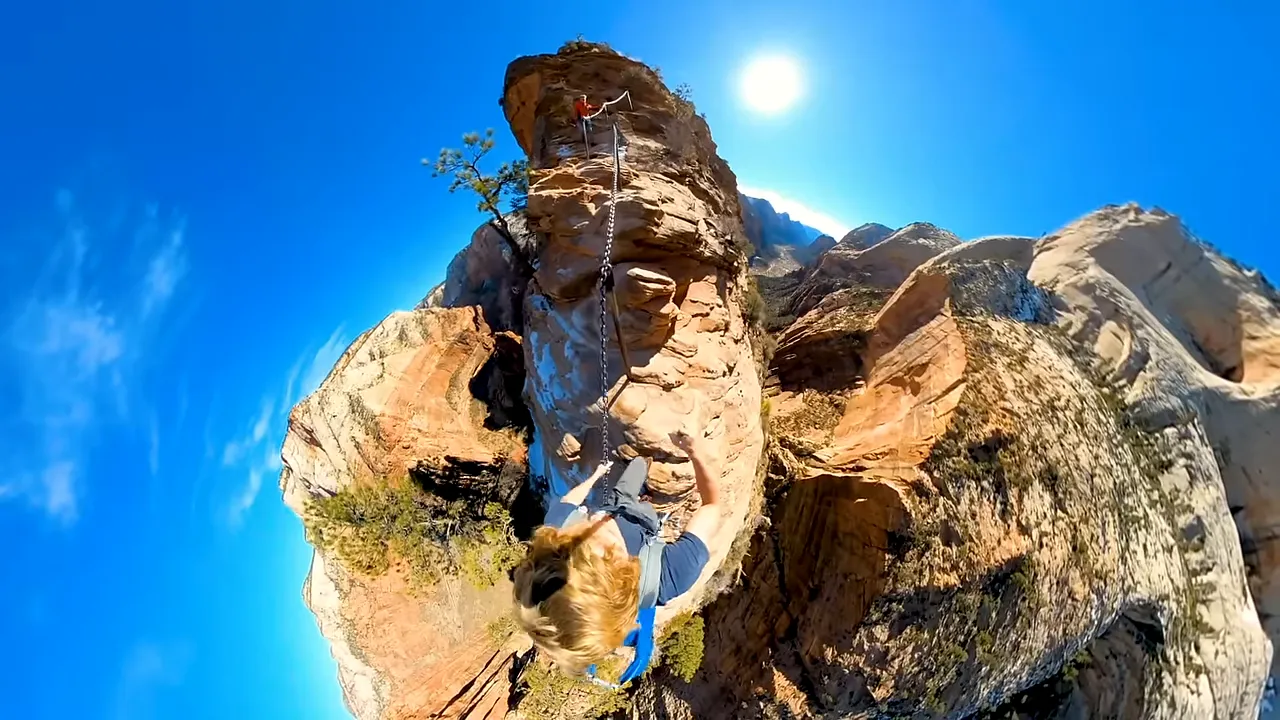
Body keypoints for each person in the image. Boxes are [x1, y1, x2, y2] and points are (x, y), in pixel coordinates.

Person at [510, 428, 722, 677]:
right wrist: (695, 453)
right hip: (643, 521)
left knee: (636, 469)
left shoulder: (559, 533)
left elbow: (569, 502)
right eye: (608, 545)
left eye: (582, 528)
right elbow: (712, 504)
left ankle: (643, 465)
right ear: (623, 583)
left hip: (619, 502)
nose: (597, 519)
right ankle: (645, 486)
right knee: (638, 498)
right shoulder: (670, 576)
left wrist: (594, 477)